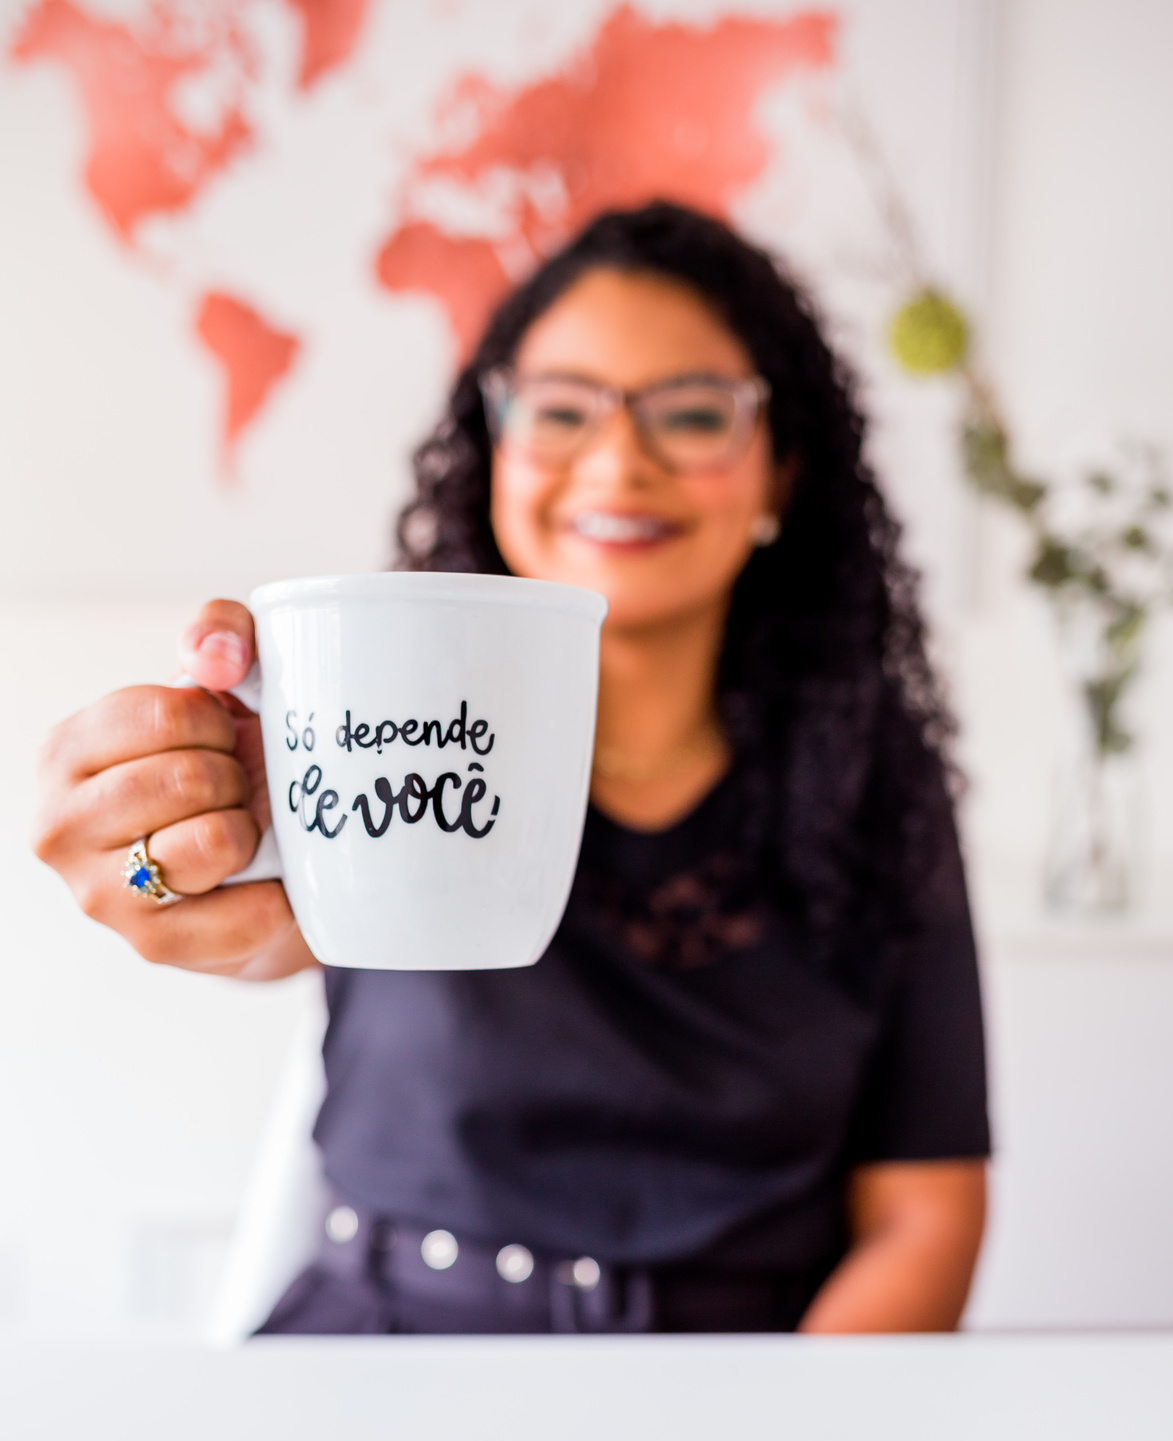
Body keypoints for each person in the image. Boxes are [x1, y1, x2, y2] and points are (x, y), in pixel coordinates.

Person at [34, 202, 989, 1335]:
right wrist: (168, 864)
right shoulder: (377, 721)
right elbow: (275, 930)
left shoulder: (873, 790)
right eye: (560, 409)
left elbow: (924, 1215)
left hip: (744, 1382)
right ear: (491, 450)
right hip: (383, 1354)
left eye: (692, 413)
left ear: (781, 475)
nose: (621, 459)